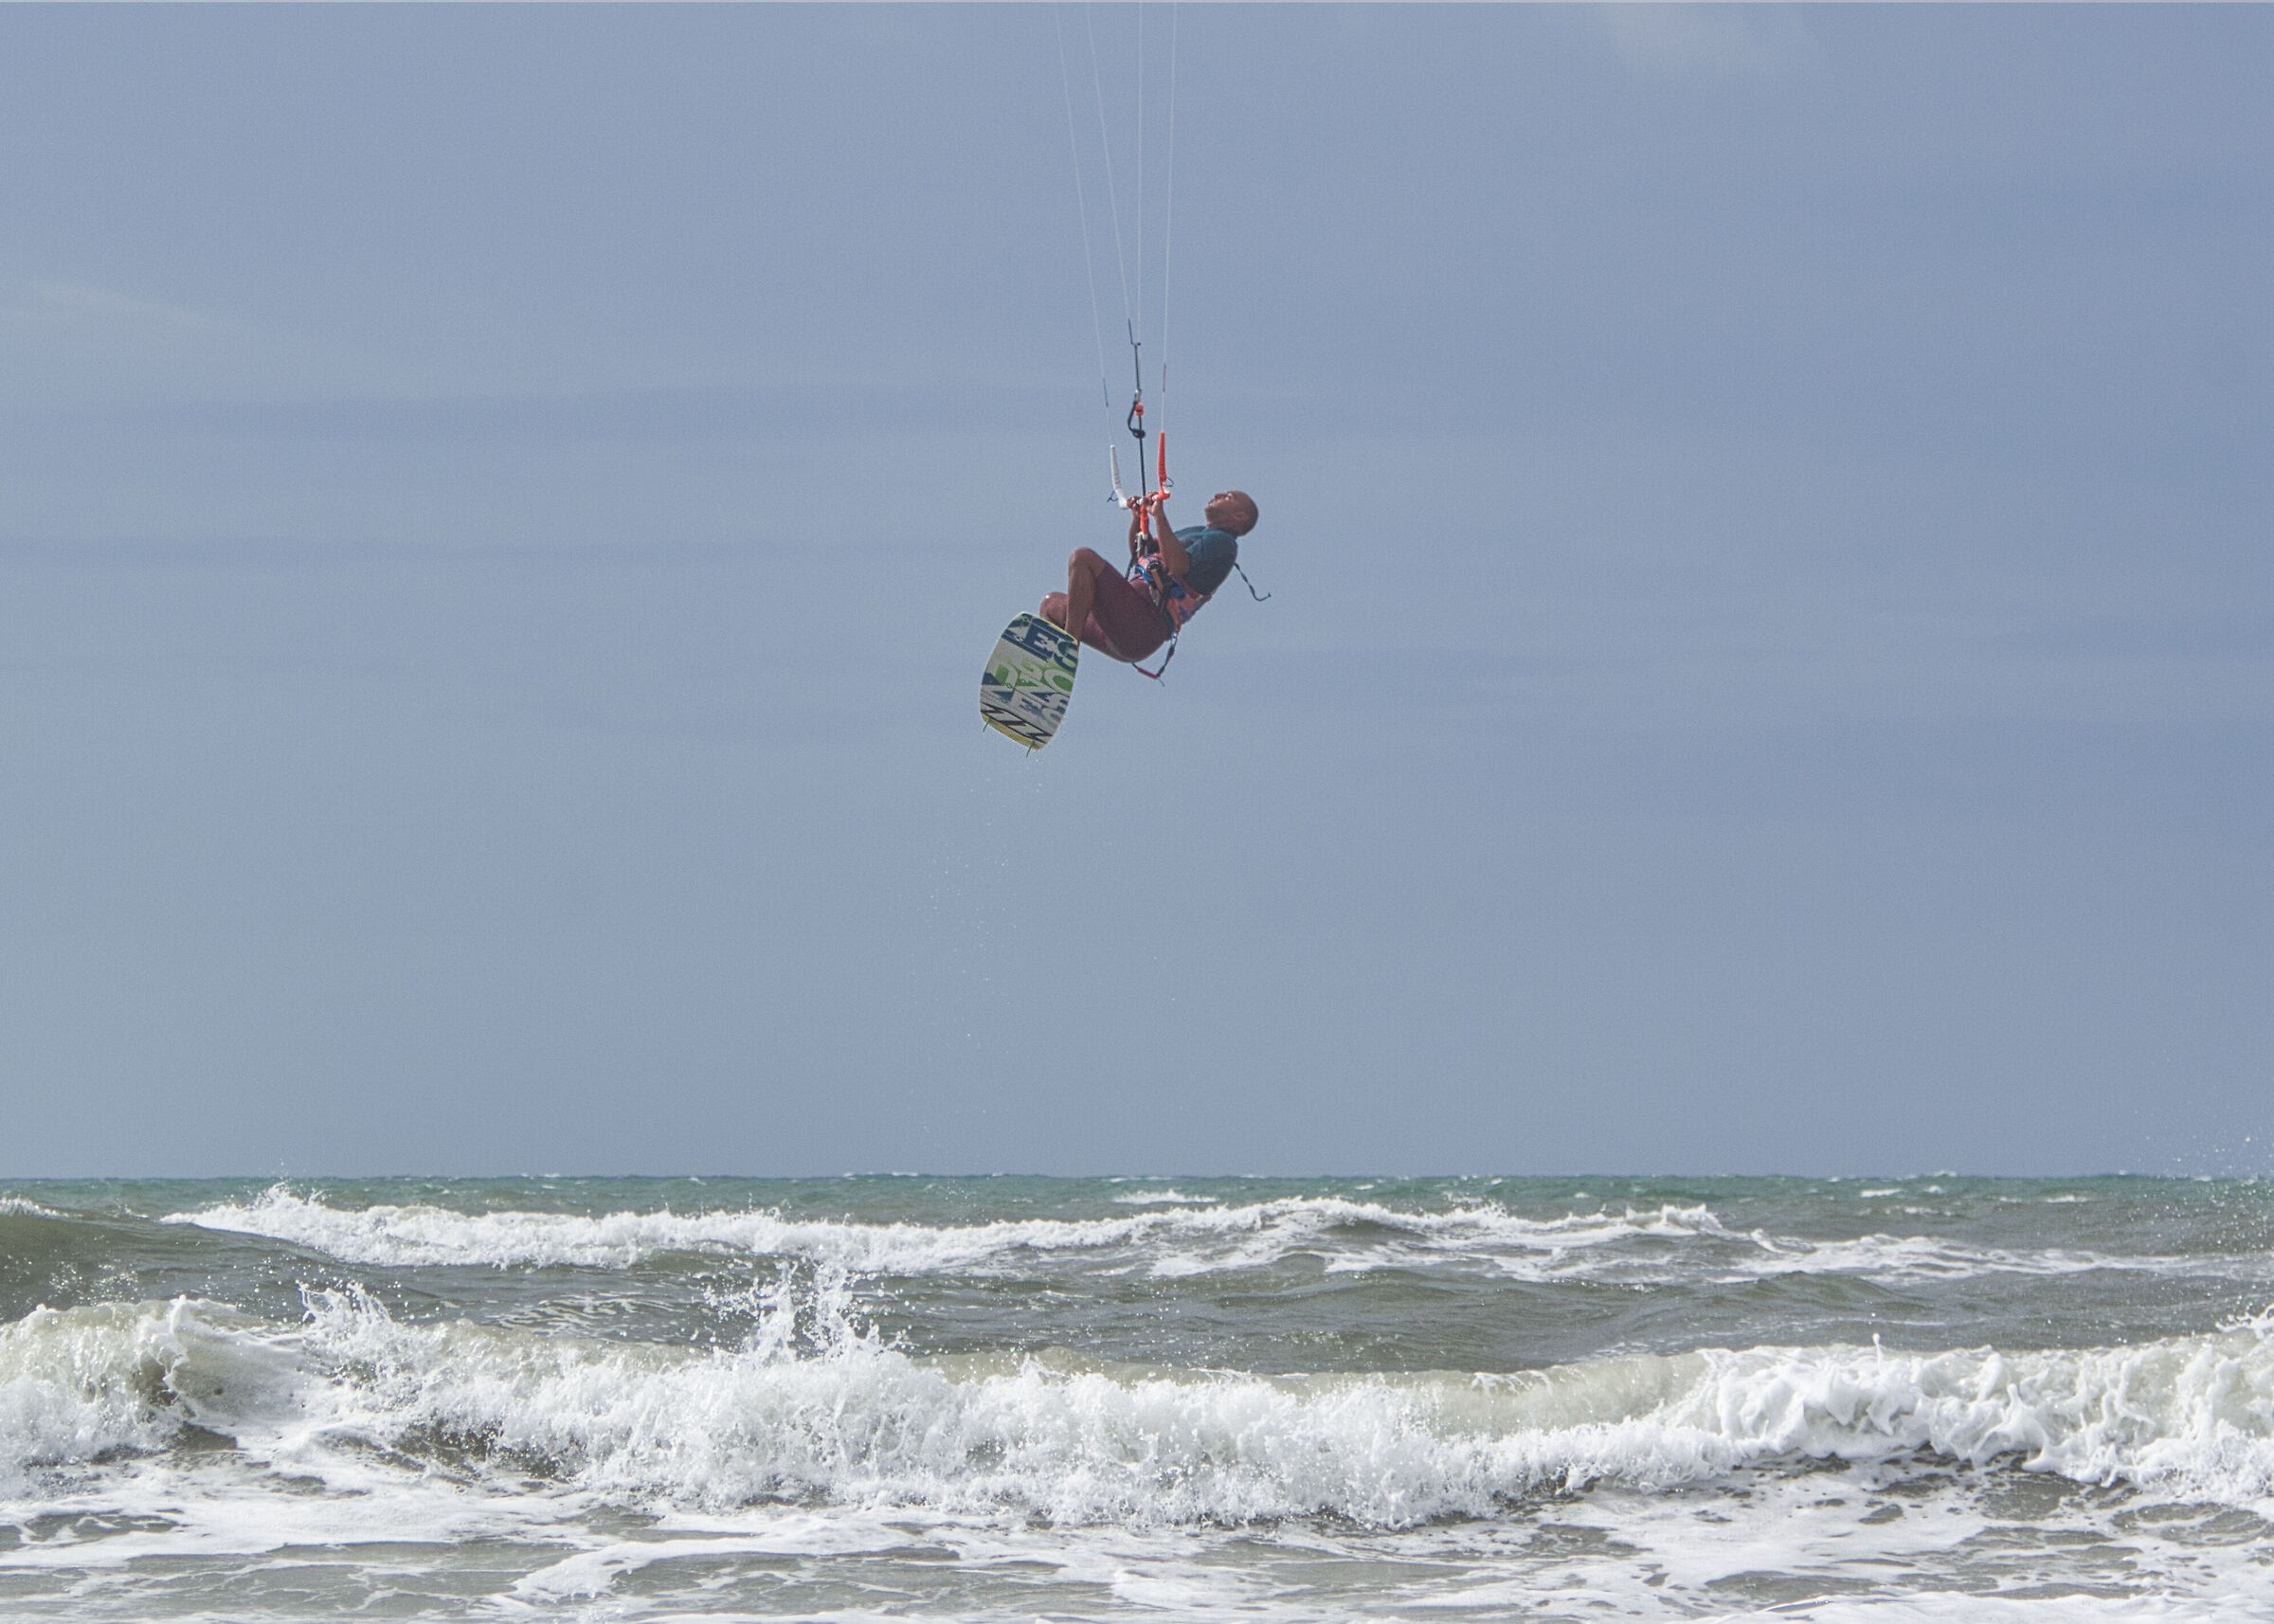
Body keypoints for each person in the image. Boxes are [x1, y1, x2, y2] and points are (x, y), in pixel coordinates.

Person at [1041, 488, 1258, 664]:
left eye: (1228, 497)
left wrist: (1159, 516)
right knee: (1051, 606)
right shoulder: (1198, 532)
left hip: (1145, 623)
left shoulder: (1223, 542)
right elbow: (1141, 554)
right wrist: (1138, 519)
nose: (1218, 494)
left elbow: (1176, 568)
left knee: (1082, 558)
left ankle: (1064, 657)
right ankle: (1044, 670)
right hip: (1125, 625)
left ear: (1239, 516)